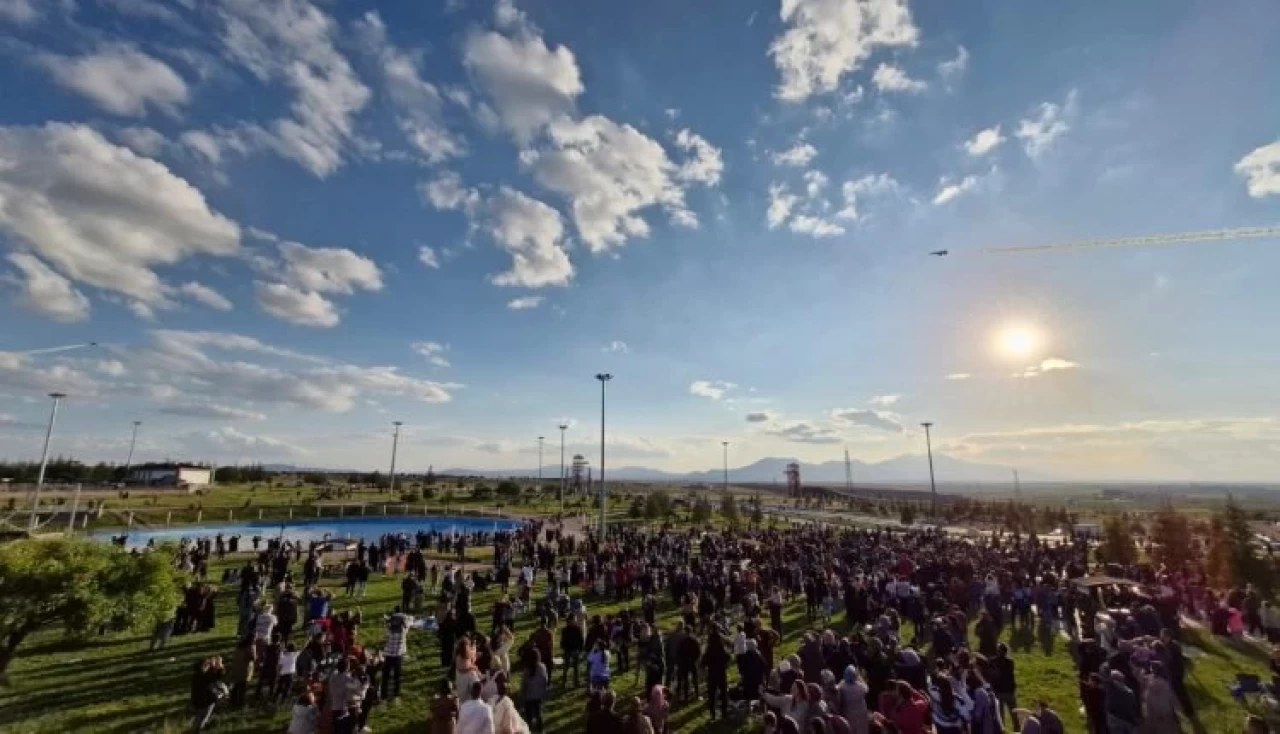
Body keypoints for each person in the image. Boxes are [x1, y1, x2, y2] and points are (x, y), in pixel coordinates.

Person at [383, 607, 412, 701]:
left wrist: (387, 621)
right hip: (398, 656)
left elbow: (386, 629)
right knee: (397, 676)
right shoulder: (403, 631)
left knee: (385, 677)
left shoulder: (388, 631)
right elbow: (409, 621)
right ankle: (396, 695)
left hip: (388, 655)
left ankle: (383, 695)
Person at [190, 656, 225, 732]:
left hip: (198, 701)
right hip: (207, 702)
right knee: (204, 717)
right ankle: (199, 729)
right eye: (207, 665)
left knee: (198, 717)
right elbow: (218, 676)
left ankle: (194, 728)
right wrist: (219, 664)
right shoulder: (205, 677)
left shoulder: (195, 676)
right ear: (204, 667)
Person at [521, 649, 549, 733]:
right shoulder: (543, 667)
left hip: (529, 696)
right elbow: (545, 680)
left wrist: (522, 695)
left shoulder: (527, 670)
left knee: (529, 716)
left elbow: (524, 685)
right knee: (538, 713)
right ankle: (541, 730)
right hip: (539, 695)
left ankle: (528, 730)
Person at [836, 665, 870, 734]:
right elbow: (866, 689)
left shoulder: (843, 687)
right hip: (861, 713)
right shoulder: (860, 686)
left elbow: (836, 688)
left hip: (849, 713)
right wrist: (860, 677)